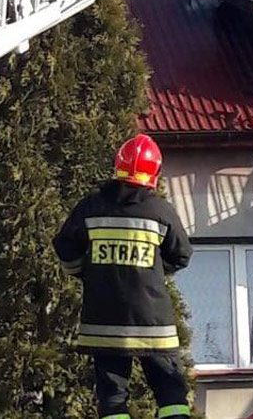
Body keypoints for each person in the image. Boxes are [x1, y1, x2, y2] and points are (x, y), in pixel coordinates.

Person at [53, 134, 194, 419]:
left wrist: (88, 273)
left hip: (103, 323)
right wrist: (152, 272)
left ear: (118, 167)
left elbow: (65, 246)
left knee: (112, 399)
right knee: (171, 394)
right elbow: (182, 255)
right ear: (154, 172)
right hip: (153, 324)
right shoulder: (160, 211)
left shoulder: (91, 207)